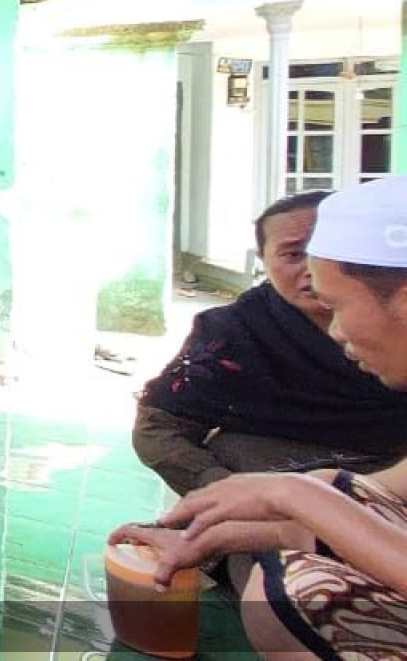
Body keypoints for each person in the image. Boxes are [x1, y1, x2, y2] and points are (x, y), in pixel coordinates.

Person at [111, 175, 407, 661]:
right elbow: (379, 495)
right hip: (299, 471)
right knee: (283, 580)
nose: (333, 331)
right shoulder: (238, 331)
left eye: (337, 307)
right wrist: (220, 532)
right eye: (292, 255)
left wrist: (288, 492)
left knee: (294, 593)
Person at [133, 191, 407, 496]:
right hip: (280, 473)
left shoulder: (394, 328)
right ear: (263, 259)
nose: (311, 269)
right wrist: (223, 489)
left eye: (324, 252)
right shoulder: (235, 332)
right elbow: (157, 427)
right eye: (292, 254)